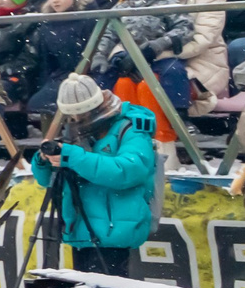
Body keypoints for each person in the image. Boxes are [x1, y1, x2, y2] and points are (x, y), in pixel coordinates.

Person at [31, 74, 160, 276]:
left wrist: (72, 156)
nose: (76, 120)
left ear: (96, 106)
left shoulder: (130, 128)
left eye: (80, 114)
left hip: (114, 230)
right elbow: (47, 181)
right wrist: (44, 162)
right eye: (71, 116)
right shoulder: (75, 131)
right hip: (80, 226)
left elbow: (126, 171)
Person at [160, 0, 229, 102]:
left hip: (203, 65)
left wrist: (154, 53)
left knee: (154, 85)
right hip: (163, 61)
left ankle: (177, 125)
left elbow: (201, 41)